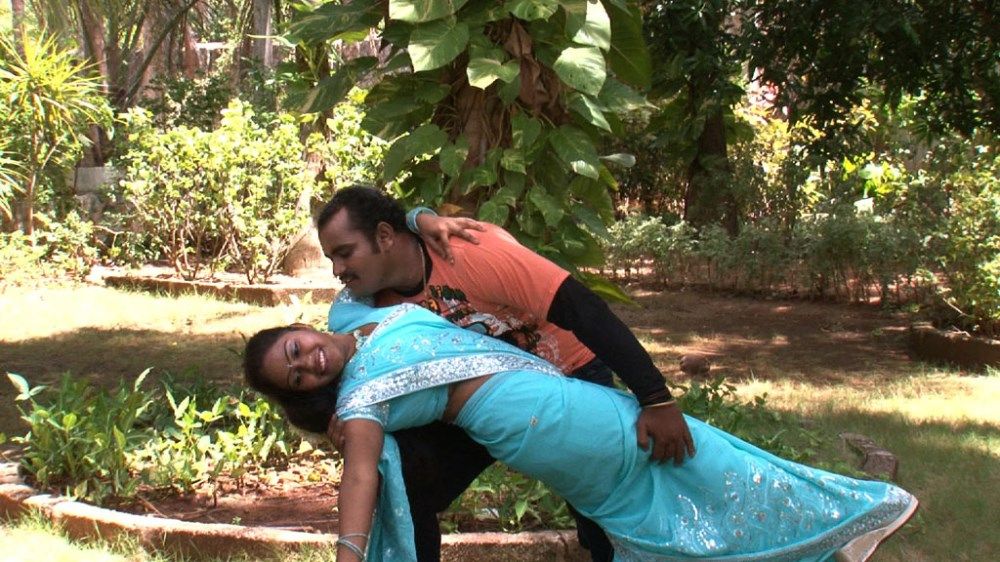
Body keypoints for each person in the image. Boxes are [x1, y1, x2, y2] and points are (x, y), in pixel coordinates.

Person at [243, 301, 919, 562]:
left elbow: (393, 235)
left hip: (567, 409)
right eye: (296, 378)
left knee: (695, 472)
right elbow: (360, 477)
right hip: (556, 435)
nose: (308, 364)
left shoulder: (360, 313)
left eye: (295, 349)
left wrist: (422, 218)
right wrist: (349, 556)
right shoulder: (362, 400)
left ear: (301, 326)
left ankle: (842, 526)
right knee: (693, 476)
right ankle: (847, 520)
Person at [315, 185, 693, 561]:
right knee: (405, 479)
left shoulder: (471, 254)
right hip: (478, 400)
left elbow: (581, 308)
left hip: (567, 376)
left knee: (601, 511)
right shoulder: (369, 304)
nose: (337, 270)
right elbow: (345, 364)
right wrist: (342, 419)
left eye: (345, 253)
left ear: (384, 236)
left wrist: (656, 399)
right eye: (331, 258)